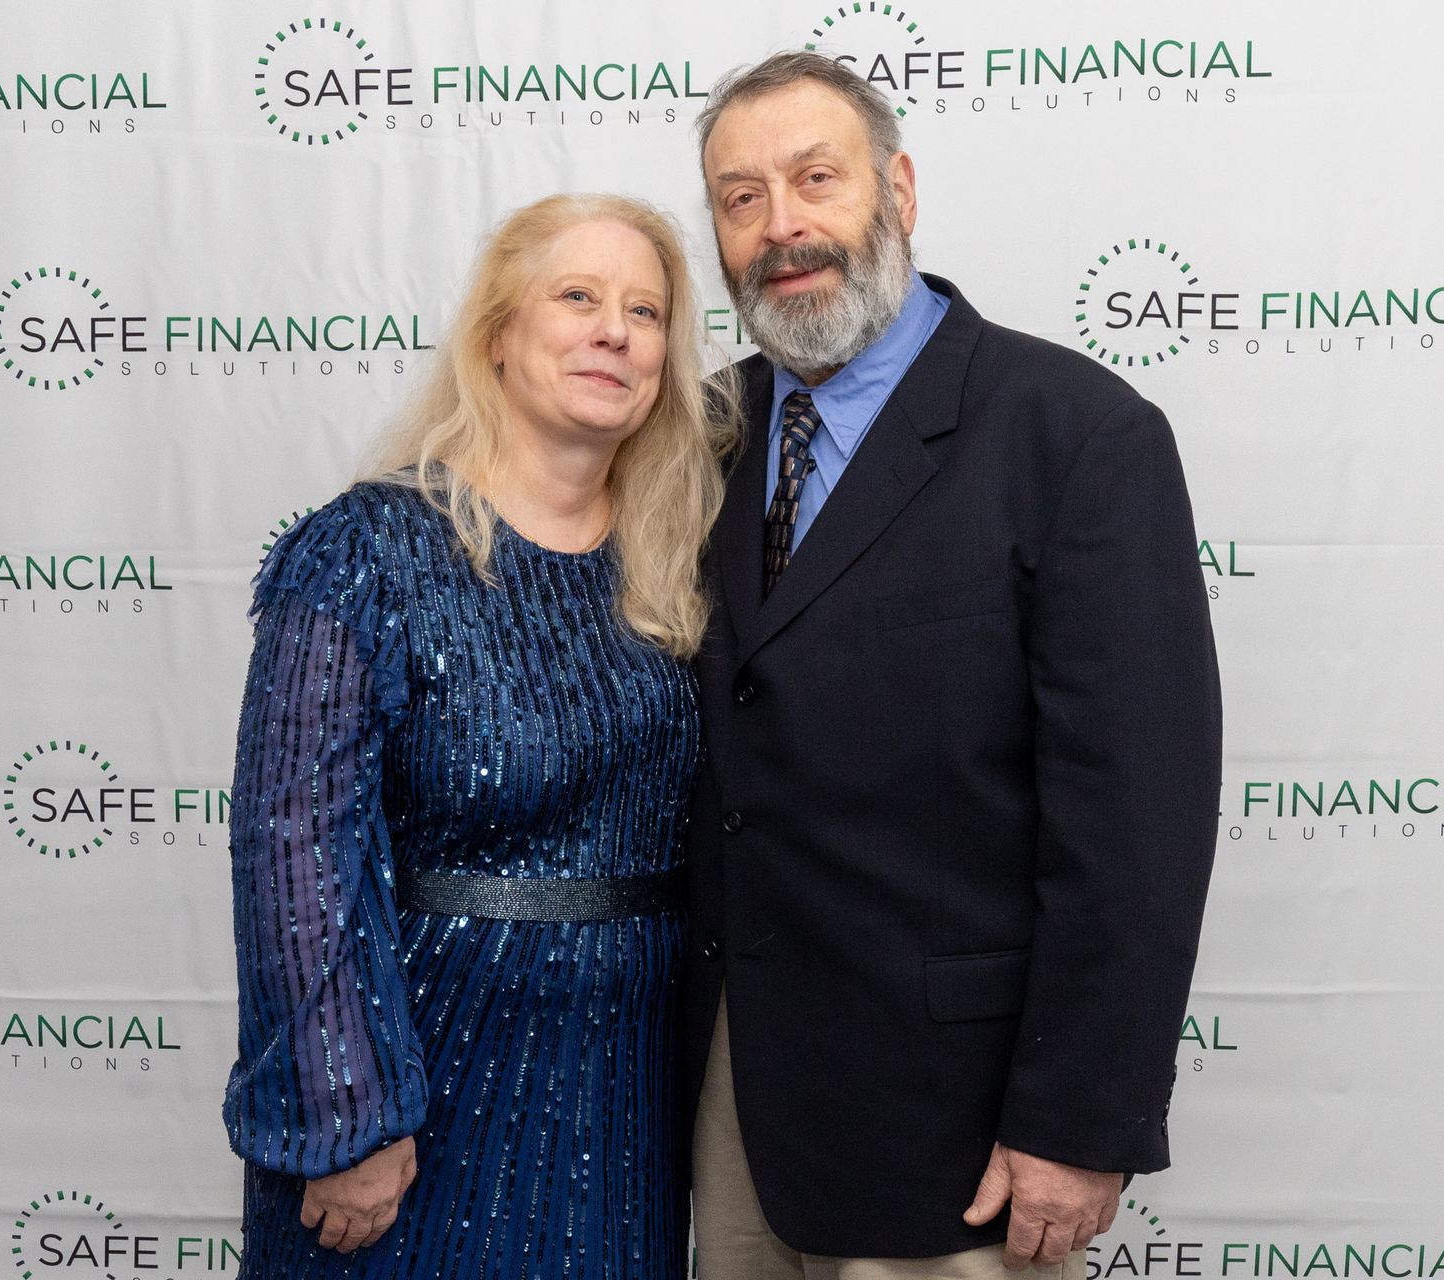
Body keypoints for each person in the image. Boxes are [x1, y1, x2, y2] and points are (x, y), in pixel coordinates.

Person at [681, 52, 1223, 1280]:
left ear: (901, 190)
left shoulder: (1076, 435)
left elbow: (1137, 819)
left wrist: (1080, 1120)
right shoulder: (700, 437)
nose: (782, 227)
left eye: (817, 178)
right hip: (734, 1103)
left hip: (956, 1130)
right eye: (741, 197)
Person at [223, 193, 734, 1278]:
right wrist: (347, 1113)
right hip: (416, 1090)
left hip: (624, 1102)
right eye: (579, 297)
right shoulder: (366, 549)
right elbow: (292, 854)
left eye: (646, 312)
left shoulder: (679, 564)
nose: (615, 332)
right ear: (497, 334)